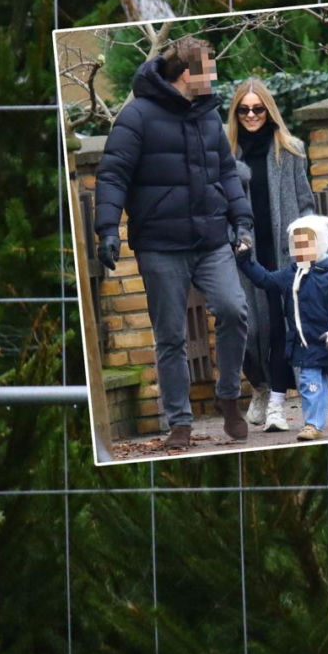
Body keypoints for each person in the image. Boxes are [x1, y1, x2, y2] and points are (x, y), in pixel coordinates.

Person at [94, 35, 253, 449]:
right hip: (160, 245)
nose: (215, 77)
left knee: (234, 310)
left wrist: (243, 222)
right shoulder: (137, 117)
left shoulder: (208, 116)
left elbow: (227, 175)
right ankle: (179, 423)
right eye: (209, 69)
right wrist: (108, 229)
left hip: (211, 238)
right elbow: (112, 175)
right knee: (171, 335)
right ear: (187, 74)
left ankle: (228, 397)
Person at [225, 78, 314, 433]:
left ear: (269, 111)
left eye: (257, 108)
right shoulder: (224, 155)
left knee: (279, 327)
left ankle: (277, 402)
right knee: (247, 326)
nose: (250, 115)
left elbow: (305, 201)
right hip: (242, 253)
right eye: (243, 109)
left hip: (281, 253)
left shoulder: (290, 150)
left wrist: (305, 243)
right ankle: (259, 386)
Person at [237, 215, 328, 442]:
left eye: (307, 243)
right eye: (296, 245)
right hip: (306, 346)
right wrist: (246, 261)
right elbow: (266, 280)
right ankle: (312, 424)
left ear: (320, 245)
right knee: (310, 385)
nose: (301, 249)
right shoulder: (290, 275)